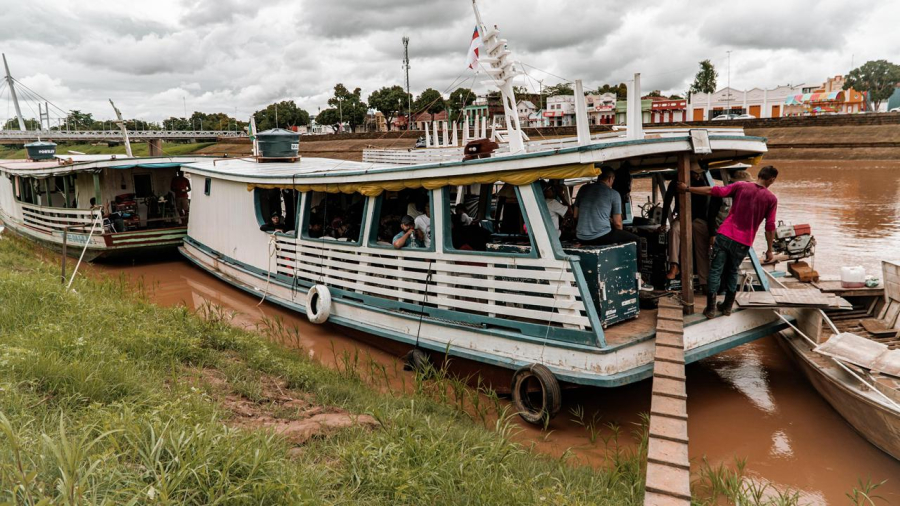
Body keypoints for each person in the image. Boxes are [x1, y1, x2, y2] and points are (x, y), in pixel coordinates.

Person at [681, 165, 779, 318]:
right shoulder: (771, 199)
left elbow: (714, 191)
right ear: (771, 179)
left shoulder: (741, 186)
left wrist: (687, 188)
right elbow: (770, 227)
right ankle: (727, 307)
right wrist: (769, 250)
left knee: (715, 270)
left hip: (725, 235)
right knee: (732, 271)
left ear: (759, 175)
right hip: (744, 242)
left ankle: (711, 309)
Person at [575, 166, 650, 290]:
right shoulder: (613, 194)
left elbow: (575, 215)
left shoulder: (583, 189)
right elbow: (618, 223)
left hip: (581, 236)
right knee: (636, 239)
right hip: (600, 237)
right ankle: (639, 278)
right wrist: (619, 242)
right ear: (610, 179)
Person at [660, 165, 712, 289]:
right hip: (682, 217)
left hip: (698, 218)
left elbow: (705, 206)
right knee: (674, 230)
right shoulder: (675, 183)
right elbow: (667, 201)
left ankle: (704, 279)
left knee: (701, 244)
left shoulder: (702, 183)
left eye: (699, 174)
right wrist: (663, 222)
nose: (698, 176)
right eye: (695, 173)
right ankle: (674, 266)